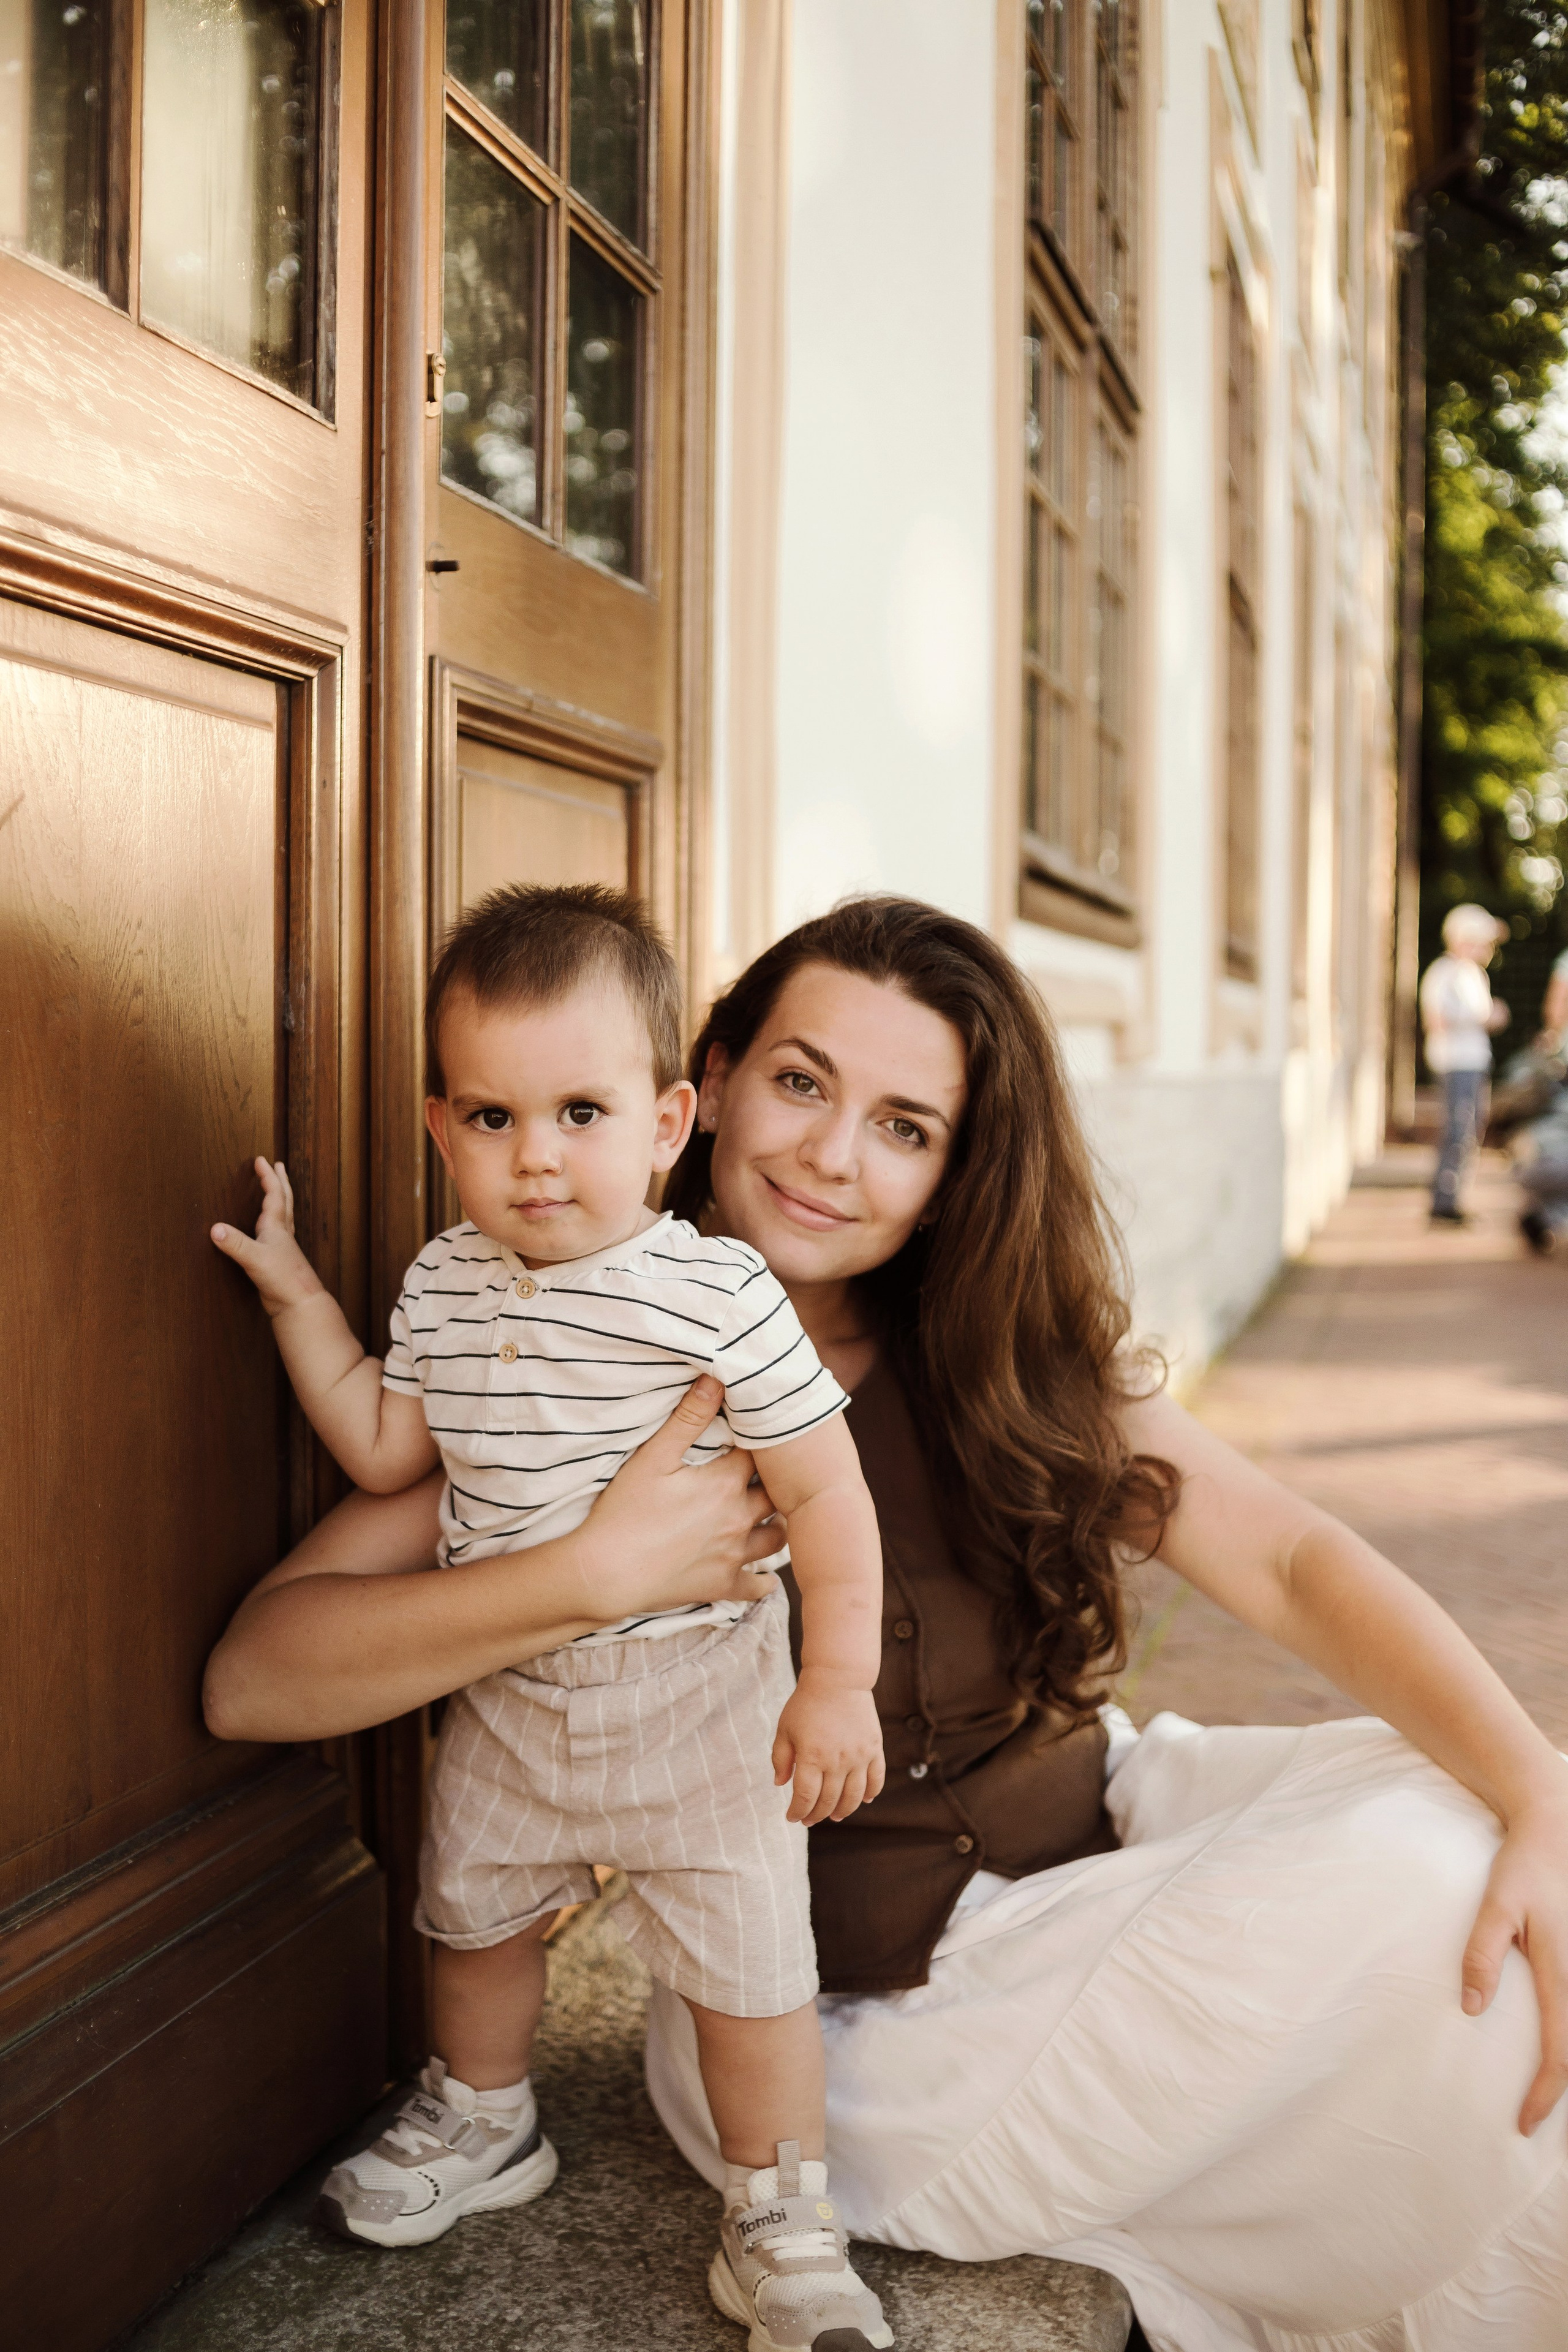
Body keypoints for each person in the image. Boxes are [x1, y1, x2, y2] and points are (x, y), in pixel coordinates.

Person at [206, 897, 1568, 2352]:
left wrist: (1539, 1786)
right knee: (1424, 1908)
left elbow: (1287, 1559)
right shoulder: (579, 1357)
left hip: (1090, 1835)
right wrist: (590, 1572)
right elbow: (257, 1678)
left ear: (951, 1170)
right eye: (800, 1081)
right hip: (858, 2016)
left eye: (903, 1126)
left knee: (1476, 1825)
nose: (830, 1155)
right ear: (708, 1085)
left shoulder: (993, 1350)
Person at [209, 884, 894, 2352]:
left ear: (665, 1124)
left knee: (750, 1968)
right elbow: (387, 1446)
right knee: (476, 1913)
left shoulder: (715, 1290)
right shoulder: (446, 1283)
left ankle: (779, 2209)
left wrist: (836, 1679)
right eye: (493, 1117)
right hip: (511, 1687)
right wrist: (292, 1297)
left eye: (580, 1112)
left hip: (700, 1696)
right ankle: (483, 2112)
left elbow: (826, 1494)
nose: (535, 1156)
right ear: (440, 1128)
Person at [1419, 902, 1509, 1224]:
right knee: (1458, 1130)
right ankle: (1444, 1202)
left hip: (1471, 1064)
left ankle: (1453, 1198)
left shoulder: (1472, 974)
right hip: (1455, 1064)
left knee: (1469, 1130)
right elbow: (1436, 1020)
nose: (1487, 948)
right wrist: (1484, 1017)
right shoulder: (1444, 972)